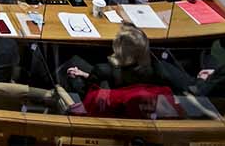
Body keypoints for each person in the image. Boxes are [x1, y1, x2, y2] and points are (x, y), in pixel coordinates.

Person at [62, 24, 190, 106]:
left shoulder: (104, 70)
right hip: (131, 102)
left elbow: (89, 94)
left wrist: (78, 77)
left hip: (107, 104)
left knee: (72, 63)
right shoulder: (159, 69)